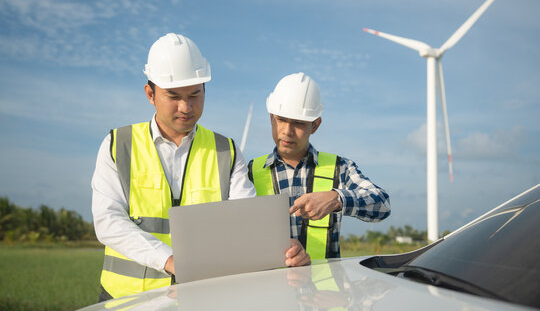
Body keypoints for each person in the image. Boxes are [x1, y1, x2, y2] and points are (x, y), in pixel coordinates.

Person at [92, 33, 310, 301]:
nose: (186, 107)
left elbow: (247, 222)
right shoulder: (119, 145)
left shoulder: (226, 150)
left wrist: (283, 249)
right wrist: (169, 260)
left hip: (202, 298)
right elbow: (108, 222)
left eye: (195, 94)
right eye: (174, 96)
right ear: (150, 94)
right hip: (126, 299)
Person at [248, 72, 391, 260]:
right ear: (271, 118)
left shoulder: (340, 168)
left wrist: (336, 199)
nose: (287, 131)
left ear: (315, 126)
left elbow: (382, 205)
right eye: (281, 119)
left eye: (298, 123)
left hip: (324, 287)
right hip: (268, 286)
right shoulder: (249, 171)